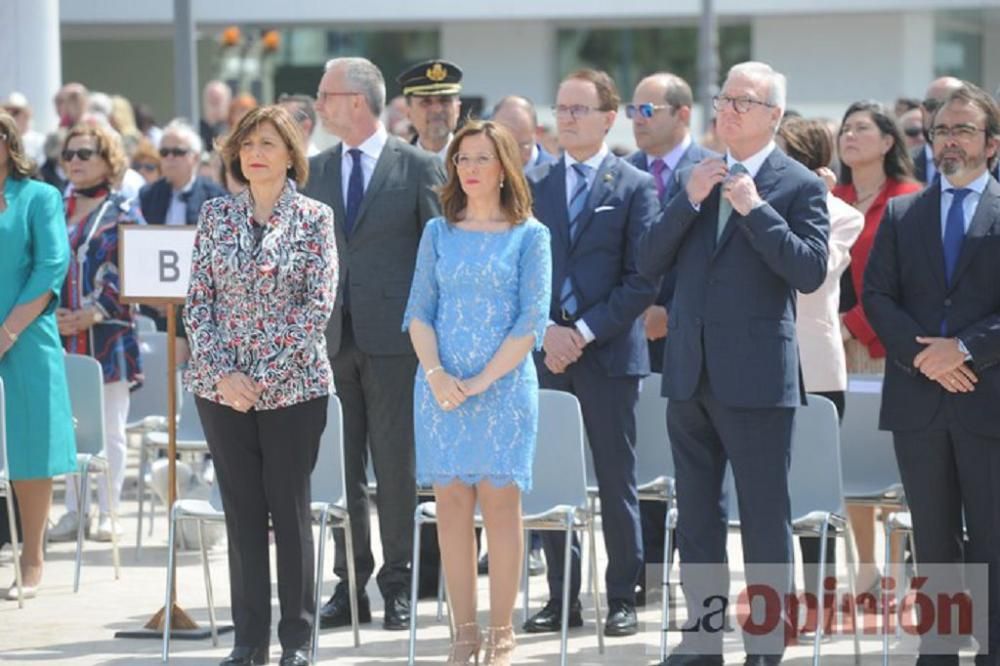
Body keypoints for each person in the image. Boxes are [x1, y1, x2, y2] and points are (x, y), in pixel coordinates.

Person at [639, 61, 830, 665]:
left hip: (756, 378)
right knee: (696, 517)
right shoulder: (695, 175)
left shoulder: (797, 183)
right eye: (723, 98)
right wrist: (688, 202)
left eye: (743, 101)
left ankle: (767, 644)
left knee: (765, 520)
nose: (728, 109)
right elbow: (649, 260)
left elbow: (808, 270)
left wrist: (755, 209)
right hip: (688, 371)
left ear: (774, 115)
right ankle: (701, 638)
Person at [184, 105, 338, 666]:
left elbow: (315, 308)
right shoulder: (216, 216)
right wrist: (226, 375)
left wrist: (261, 378)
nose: (255, 153)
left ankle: (295, 640)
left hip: (293, 389)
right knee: (241, 512)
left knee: (289, 510)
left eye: (267, 143)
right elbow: (197, 304)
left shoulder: (314, 218)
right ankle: (249, 640)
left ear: (291, 153)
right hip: (219, 388)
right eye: (247, 144)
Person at [303, 56, 445, 633]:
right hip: (332, 341)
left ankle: (399, 584)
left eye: (325, 95)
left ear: (356, 101)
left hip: (396, 344)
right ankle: (349, 583)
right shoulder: (313, 171)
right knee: (341, 471)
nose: (318, 105)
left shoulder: (418, 167)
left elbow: (435, 258)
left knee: (395, 469)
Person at [403, 119, 551, 665]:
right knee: (450, 508)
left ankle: (502, 632)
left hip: (504, 391)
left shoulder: (530, 236)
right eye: (462, 159)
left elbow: (531, 320)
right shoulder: (438, 232)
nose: (469, 169)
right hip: (440, 389)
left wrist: (481, 381)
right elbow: (419, 311)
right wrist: (439, 374)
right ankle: (463, 632)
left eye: (481, 159)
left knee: (501, 506)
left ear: (504, 167)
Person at [863, 83, 1000, 666]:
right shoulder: (902, 212)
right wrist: (929, 359)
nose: (949, 140)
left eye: (963, 130)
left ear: (991, 145)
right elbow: (877, 295)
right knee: (934, 537)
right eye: (941, 130)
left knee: (993, 538)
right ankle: (938, 650)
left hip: (987, 397)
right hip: (919, 401)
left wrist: (965, 350)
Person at [523, 68, 659, 638]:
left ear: (609, 117)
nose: (568, 118)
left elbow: (643, 278)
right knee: (552, 481)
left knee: (615, 478)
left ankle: (623, 595)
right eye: (561, 108)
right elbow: (520, 269)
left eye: (580, 109)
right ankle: (561, 598)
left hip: (606, 355)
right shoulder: (532, 185)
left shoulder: (634, 185)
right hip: (545, 357)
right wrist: (547, 332)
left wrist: (580, 330)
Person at [624, 71, 719, 605]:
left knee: (690, 466)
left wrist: (670, 311)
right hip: (631, 334)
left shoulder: (710, 171)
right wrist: (639, 311)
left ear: (682, 114)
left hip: (689, 336)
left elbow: (711, 262)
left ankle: (694, 585)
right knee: (646, 459)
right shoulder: (624, 173)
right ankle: (648, 576)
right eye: (632, 111)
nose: (636, 121)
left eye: (647, 110)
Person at [832, 101, 922, 595]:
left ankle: (895, 571)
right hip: (834, 350)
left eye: (862, 128)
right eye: (846, 129)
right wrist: (835, 329)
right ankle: (864, 571)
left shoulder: (910, 198)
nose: (850, 136)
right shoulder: (832, 196)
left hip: (885, 346)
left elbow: (907, 283)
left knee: (888, 463)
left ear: (889, 141)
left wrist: (853, 325)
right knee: (851, 461)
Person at [778, 116, 863, 633]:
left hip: (816, 368)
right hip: (760, 364)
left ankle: (821, 600)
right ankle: (780, 597)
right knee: (770, 492)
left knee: (813, 496)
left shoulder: (841, 214)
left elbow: (808, 277)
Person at [46, 123, 143, 544]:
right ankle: (73, 510)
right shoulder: (53, 208)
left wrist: (93, 312)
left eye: (85, 154)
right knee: (67, 426)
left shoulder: (124, 211)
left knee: (109, 429)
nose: (75, 162)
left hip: (108, 335)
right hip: (56, 332)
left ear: (108, 159)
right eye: (69, 155)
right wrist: (51, 313)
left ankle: (108, 512)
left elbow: (136, 269)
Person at [0, 112, 77, 600]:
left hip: (26, 334)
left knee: (31, 447)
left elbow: (52, 264)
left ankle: (31, 556)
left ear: (8, 144)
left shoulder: (39, 197)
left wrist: (8, 329)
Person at [139, 119, 226, 226]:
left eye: (178, 152)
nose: (169, 157)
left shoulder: (215, 197)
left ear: (195, 157)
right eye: (164, 152)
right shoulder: (147, 196)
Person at [398, 59, 463, 160]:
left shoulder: (476, 162)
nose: (437, 109)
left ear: (458, 108)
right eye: (426, 102)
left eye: (445, 101)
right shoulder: (397, 166)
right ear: (408, 112)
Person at [913, 77, 964, 185]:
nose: (939, 113)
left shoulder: (989, 167)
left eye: (949, 105)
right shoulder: (900, 165)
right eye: (932, 106)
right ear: (922, 110)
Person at [491, 95, 556, 170]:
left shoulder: (558, 174)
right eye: (504, 145)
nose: (512, 155)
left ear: (537, 133)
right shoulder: (483, 172)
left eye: (520, 146)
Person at [2, 93, 45, 164]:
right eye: (6, 111)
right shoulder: (3, 140)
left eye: (15, 112)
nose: (10, 116)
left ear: (26, 114)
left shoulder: (40, 141)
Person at [200, 80, 231, 151]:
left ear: (227, 102)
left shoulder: (233, 130)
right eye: (210, 100)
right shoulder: (195, 129)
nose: (213, 105)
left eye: (217, 100)